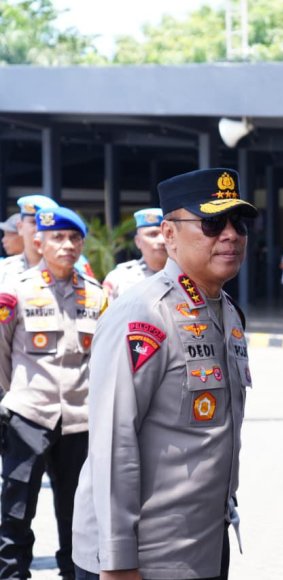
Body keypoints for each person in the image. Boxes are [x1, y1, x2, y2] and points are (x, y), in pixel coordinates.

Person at [72, 167, 256, 579]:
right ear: (169, 235)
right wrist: (118, 561)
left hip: (203, 544)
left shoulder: (227, 311)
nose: (229, 234)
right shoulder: (144, 312)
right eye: (211, 223)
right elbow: (112, 440)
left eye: (238, 223)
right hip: (145, 557)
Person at [0, 207, 101, 580]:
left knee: (77, 515)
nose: (67, 245)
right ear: (39, 243)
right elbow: (2, 353)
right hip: (29, 416)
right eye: (57, 238)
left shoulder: (96, 295)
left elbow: (102, 359)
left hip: (80, 420)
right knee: (15, 510)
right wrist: (18, 395)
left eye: (74, 238)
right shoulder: (16, 291)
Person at [102, 208, 168, 301]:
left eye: (166, 234)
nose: (162, 240)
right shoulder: (119, 278)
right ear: (138, 241)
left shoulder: (189, 275)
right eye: (153, 234)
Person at [0, 195, 59, 285]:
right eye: (33, 222)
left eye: (45, 224)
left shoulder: (67, 269)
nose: (38, 229)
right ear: (20, 227)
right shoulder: (4, 270)